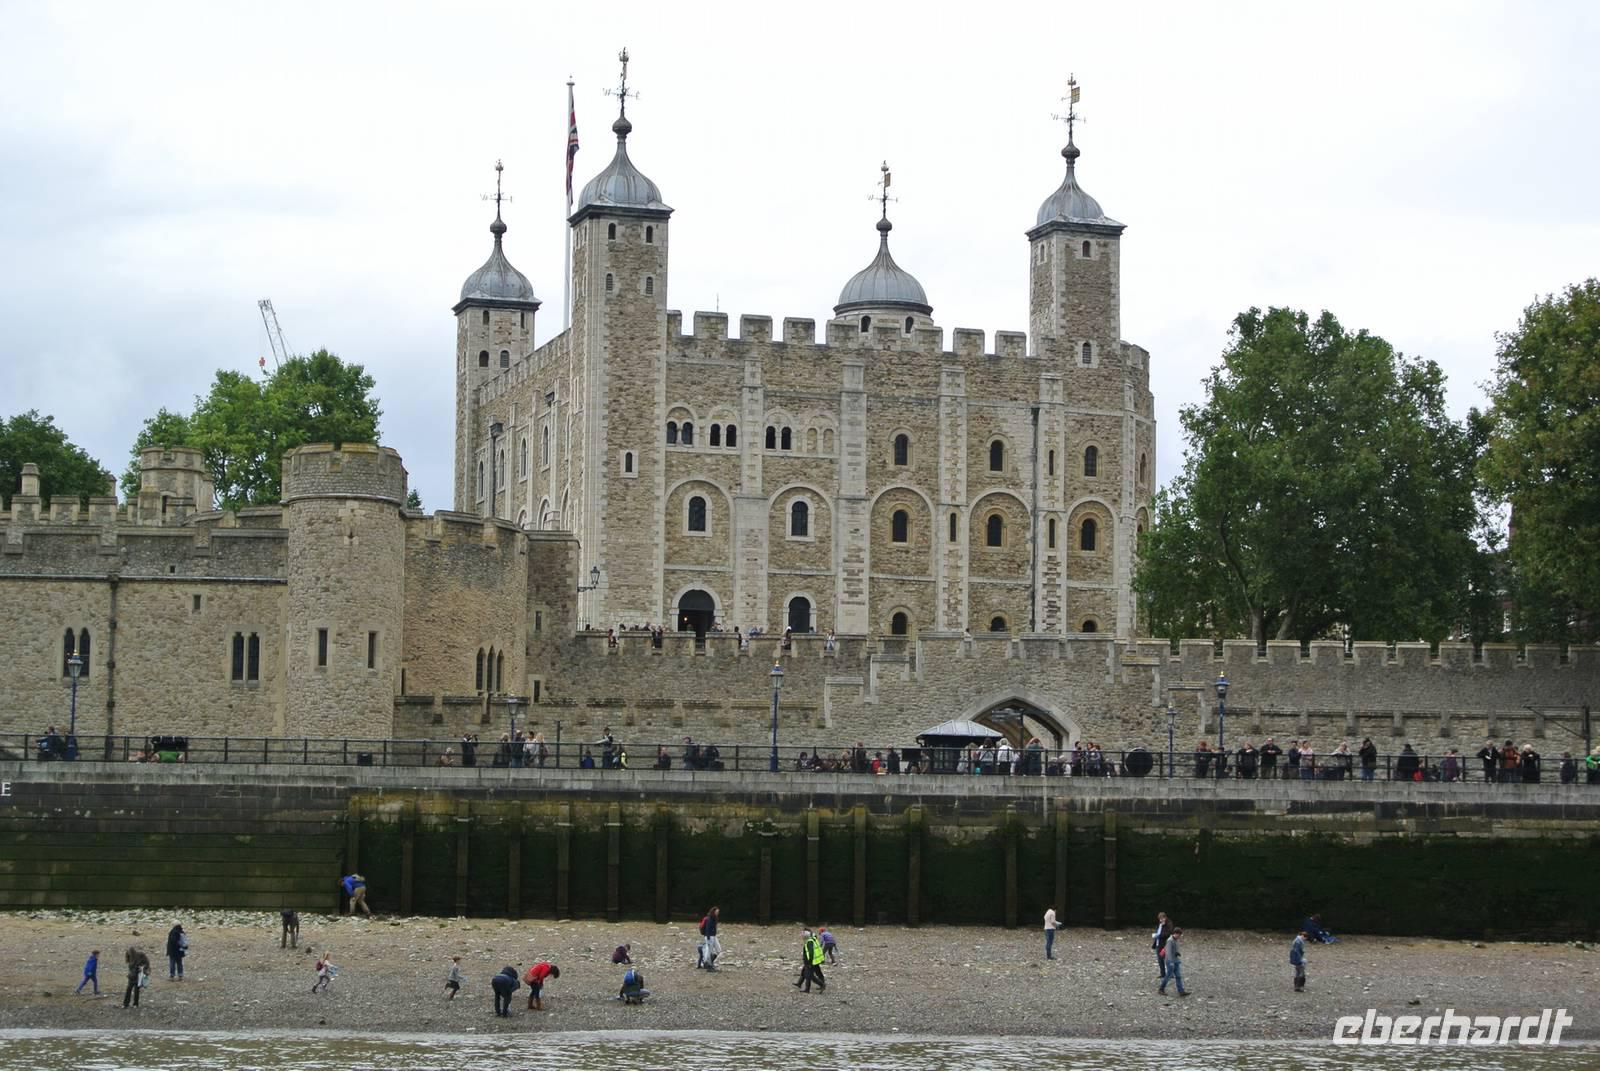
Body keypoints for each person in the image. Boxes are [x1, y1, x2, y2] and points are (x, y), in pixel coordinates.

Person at [1157, 927, 1186, 996]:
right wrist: (1170, 962)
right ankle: (1161, 989)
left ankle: (1181, 991)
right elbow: (1168, 952)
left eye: (1180, 935)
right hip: (1171, 961)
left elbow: (1175, 949)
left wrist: (1177, 952)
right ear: (1175, 933)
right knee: (1168, 976)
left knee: (1178, 976)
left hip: (1176, 960)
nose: (1179, 936)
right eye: (1178, 935)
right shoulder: (1170, 940)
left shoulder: (1176, 939)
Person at [697, 906, 722, 970]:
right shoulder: (709, 919)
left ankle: (709, 962)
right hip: (709, 936)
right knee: (709, 951)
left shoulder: (714, 918)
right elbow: (707, 929)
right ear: (713, 911)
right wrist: (707, 938)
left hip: (714, 936)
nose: (717, 913)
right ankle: (708, 965)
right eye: (716, 912)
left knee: (718, 950)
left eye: (718, 912)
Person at [1152, 912, 1172, 977]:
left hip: (1165, 944)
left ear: (1165, 918)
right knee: (1160, 959)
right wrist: (1155, 935)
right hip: (1158, 944)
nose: (1161, 920)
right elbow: (1158, 931)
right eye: (1160, 919)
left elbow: (1168, 933)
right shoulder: (1160, 924)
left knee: (1167, 959)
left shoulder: (1169, 924)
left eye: (1162, 919)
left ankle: (1170, 973)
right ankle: (1162, 974)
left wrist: (1159, 935)